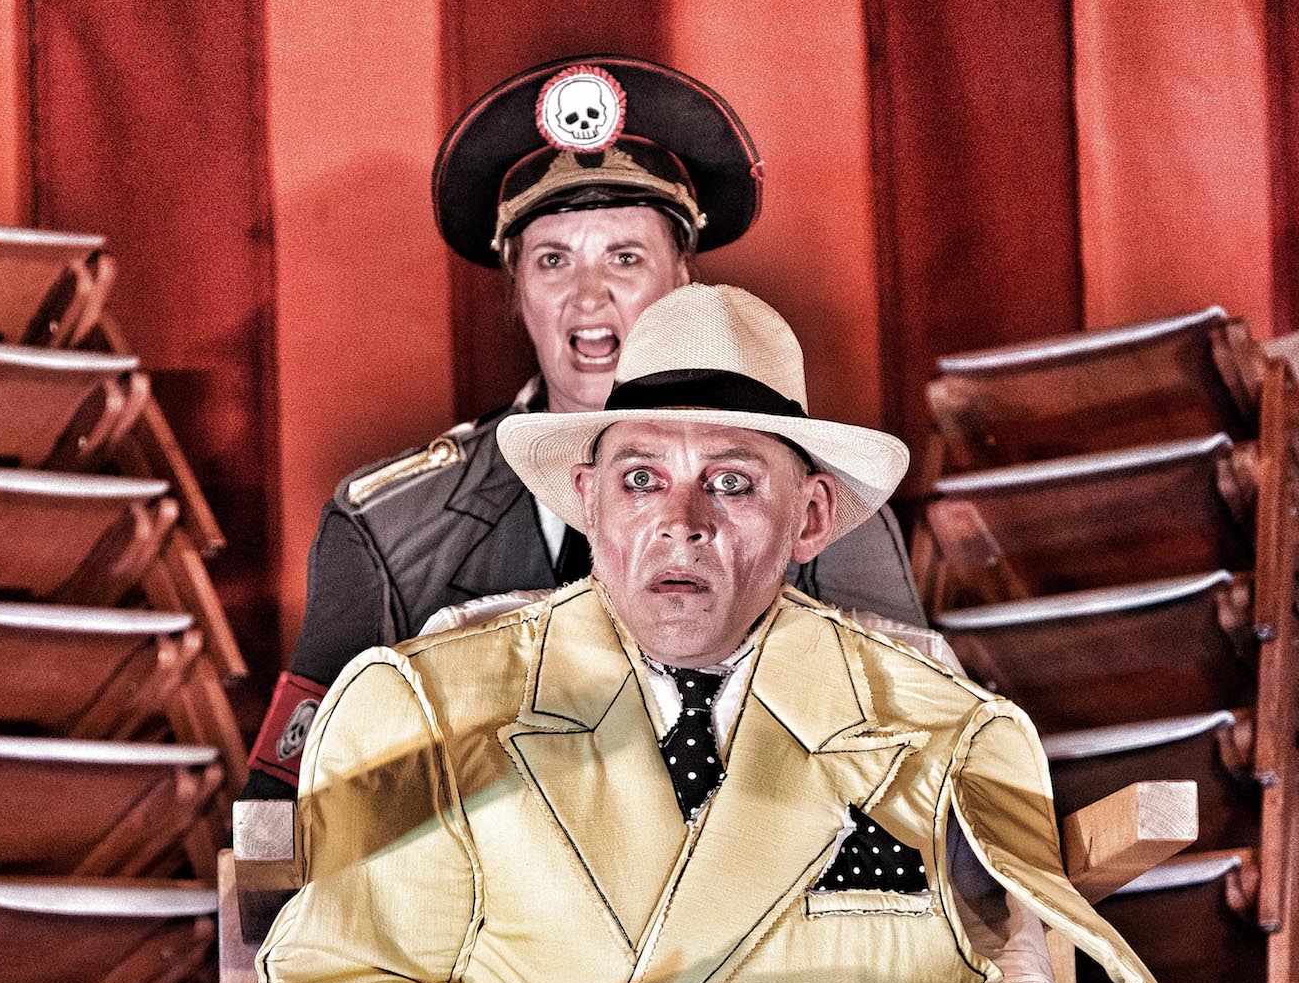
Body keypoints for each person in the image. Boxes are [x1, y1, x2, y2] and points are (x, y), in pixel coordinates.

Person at [255, 284, 1185, 983]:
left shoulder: (940, 724)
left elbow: (1035, 982)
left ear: (812, 517)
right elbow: (336, 965)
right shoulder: (426, 704)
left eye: (732, 484)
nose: (681, 523)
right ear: (587, 500)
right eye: (641, 479)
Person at [243, 56, 926, 798]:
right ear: (517, 290)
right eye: (553, 261)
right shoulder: (391, 529)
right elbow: (293, 811)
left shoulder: (813, 500)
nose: (588, 296)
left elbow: (914, 775)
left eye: (624, 258)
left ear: (682, 280)